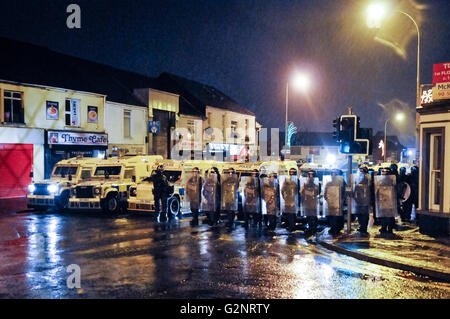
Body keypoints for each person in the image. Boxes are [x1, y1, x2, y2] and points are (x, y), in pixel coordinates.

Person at [375, 168, 398, 237]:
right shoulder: (382, 180)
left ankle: (387, 228)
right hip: (384, 201)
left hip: (389, 201)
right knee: (385, 216)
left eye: (384, 172)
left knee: (388, 216)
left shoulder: (388, 180)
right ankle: (385, 228)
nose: (383, 173)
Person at [324, 169, 345, 235]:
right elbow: (325, 193)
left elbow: (344, 192)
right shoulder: (328, 184)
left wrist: (342, 200)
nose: (333, 175)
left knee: (336, 217)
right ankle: (334, 228)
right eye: (332, 174)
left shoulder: (341, 183)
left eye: (334, 174)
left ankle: (336, 228)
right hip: (331, 203)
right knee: (331, 216)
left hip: (338, 203)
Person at [352, 167, 372, 235]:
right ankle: (362, 227)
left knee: (364, 215)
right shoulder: (357, 180)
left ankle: (364, 227)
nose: (361, 173)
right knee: (360, 215)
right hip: (359, 200)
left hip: (365, 200)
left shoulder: (368, 179)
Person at [300, 170, 320, 237]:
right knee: (309, 216)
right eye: (309, 175)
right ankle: (311, 228)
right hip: (307, 203)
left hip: (313, 203)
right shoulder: (305, 185)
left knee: (314, 216)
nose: (311, 177)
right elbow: (301, 193)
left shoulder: (316, 185)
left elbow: (318, 193)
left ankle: (313, 228)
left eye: (312, 175)